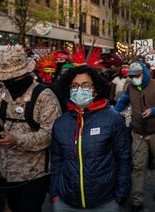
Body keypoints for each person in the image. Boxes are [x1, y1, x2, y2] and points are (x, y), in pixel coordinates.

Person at [0, 45, 62, 212]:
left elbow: (51, 134)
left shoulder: (44, 96)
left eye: (14, 78)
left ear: (25, 74)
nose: (10, 83)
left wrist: (18, 140)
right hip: (6, 171)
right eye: (6, 79)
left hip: (34, 174)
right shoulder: (0, 96)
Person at [50, 65, 131, 211]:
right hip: (66, 202)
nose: (79, 89)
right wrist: (55, 194)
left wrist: (120, 194)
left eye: (85, 85)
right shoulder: (60, 123)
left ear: (95, 88)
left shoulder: (112, 119)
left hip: (105, 202)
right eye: (74, 86)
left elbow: (124, 159)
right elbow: (56, 161)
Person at [114, 61, 155, 212]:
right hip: (138, 133)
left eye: (136, 75)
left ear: (144, 73)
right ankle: (136, 201)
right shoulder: (131, 87)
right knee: (138, 166)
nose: (134, 78)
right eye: (131, 76)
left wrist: (153, 111)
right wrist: (114, 112)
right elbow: (123, 101)